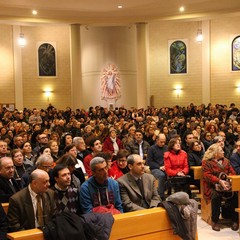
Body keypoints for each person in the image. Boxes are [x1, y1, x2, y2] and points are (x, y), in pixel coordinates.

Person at [202, 143, 238, 231]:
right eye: (221, 151)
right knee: (216, 196)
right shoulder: (206, 162)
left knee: (235, 195)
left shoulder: (226, 161)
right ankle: (215, 221)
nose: (223, 152)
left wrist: (229, 181)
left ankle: (234, 220)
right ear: (215, 153)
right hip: (212, 186)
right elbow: (207, 176)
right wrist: (219, 181)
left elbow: (232, 172)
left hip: (226, 185)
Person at [147, 133, 168, 200]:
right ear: (157, 140)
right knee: (161, 175)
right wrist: (159, 167)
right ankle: (160, 196)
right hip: (155, 168)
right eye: (161, 142)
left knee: (173, 175)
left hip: (166, 167)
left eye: (164, 142)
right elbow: (149, 162)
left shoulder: (166, 148)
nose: (163, 143)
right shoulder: (151, 149)